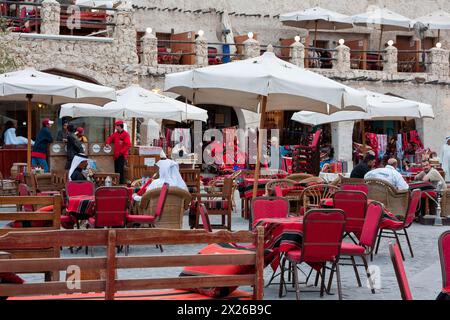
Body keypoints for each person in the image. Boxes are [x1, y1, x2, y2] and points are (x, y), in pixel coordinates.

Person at [106, 120, 131, 184]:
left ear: (119, 126)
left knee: (120, 170)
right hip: (116, 155)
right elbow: (110, 138)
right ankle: (117, 182)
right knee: (116, 169)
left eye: (116, 126)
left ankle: (121, 183)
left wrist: (121, 152)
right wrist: (107, 143)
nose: (115, 127)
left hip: (122, 155)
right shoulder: (116, 134)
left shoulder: (126, 134)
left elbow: (128, 145)